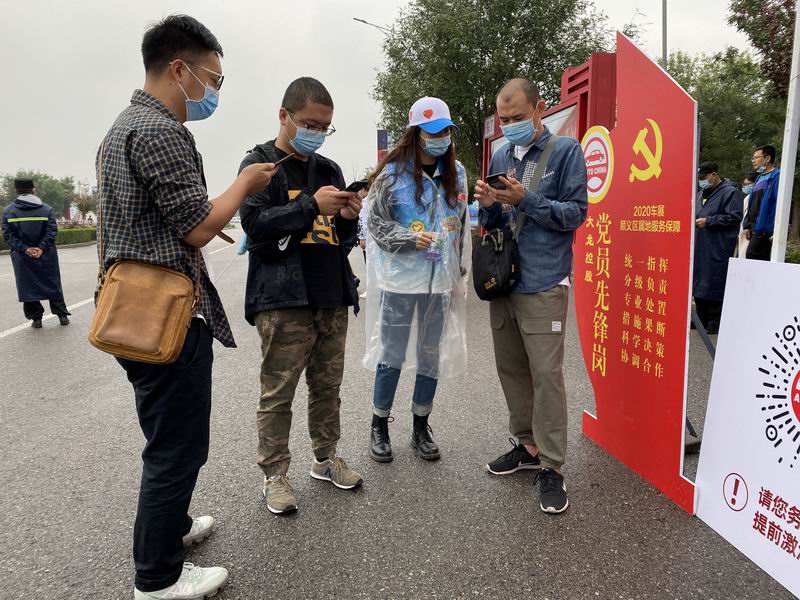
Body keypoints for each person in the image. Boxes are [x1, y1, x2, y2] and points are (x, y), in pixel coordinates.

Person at [96, 15, 276, 599]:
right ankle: (158, 578)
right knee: (176, 449)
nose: (214, 92)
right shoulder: (160, 131)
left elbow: (163, 219)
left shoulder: (123, 127)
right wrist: (243, 185)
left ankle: (171, 527)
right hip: (166, 317)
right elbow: (197, 225)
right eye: (213, 80)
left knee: (166, 437)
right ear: (180, 69)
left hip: (135, 312)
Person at [239, 77, 364, 516]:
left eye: (325, 127)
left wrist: (347, 217)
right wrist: (311, 205)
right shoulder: (259, 164)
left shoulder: (329, 169)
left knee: (327, 387)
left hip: (331, 294)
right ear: (284, 116)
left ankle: (326, 458)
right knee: (278, 391)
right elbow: (255, 226)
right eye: (310, 124)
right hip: (283, 299)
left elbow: (340, 240)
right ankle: (274, 474)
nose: (317, 133)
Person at [474, 78, 587, 514]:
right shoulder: (502, 155)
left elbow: (575, 214)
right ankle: (528, 447)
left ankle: (553, 466)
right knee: (512, 370)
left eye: (518, 117)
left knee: (545, 374)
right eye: (504, 119)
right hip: (504, 281)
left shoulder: (565, 152)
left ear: (540, 108)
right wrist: (489, 206)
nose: (510, 125)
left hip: (543, 281)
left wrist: (527, 199)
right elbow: (497, 222)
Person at [363, 96, 470, 463]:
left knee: (429, 355)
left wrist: (458, 272)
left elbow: (460, 228)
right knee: (391, 354)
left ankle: (421, 425)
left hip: (439, 282)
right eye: (432, 132)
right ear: (416, 134)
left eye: (445, 131)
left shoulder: (457, 174)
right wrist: (409, 238)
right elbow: (375, 224)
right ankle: (379, 424)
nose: (440, 138)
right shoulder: (392, 175)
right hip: (401, 283)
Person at [2, 178, 70, 328]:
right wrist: (41, 248)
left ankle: (36, 319)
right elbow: (51, 231)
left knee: (28, 285)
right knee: (52, 282)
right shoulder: (46, 209)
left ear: (16, 191)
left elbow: (8, 236)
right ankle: (62, 316)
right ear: (33, 189)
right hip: (46, 255)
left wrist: (25, 249)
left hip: (22, 256)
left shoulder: (8, 211)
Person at [693, 162, 743, 334]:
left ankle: (714, 320)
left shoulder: (730, 192)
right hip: (701, 243)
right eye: (699, 178)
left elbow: (734, 216)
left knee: (715, 279)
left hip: (718, 244)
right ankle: (700, 317)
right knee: (699, 279)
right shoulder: (701, 193)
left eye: (704, 177)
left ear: (714, 174)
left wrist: (709, 221)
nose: (702, 181)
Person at [744, 145, 780, 260]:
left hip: (766, 228)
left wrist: (774, 229)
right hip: (754, 227)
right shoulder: (759, 178)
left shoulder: (777, 177)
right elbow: (753, 203)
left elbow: (778, 204)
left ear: (767, 158)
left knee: (751, 254)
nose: (753, 161)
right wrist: (748, 225)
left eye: (756, 157)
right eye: (753, 158)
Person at [736, 171, 758, 257]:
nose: (745, 187)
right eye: (744, 184)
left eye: (748, 184)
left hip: (749, 233)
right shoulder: (747, 198)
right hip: (743, 232)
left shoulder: (754, 197)